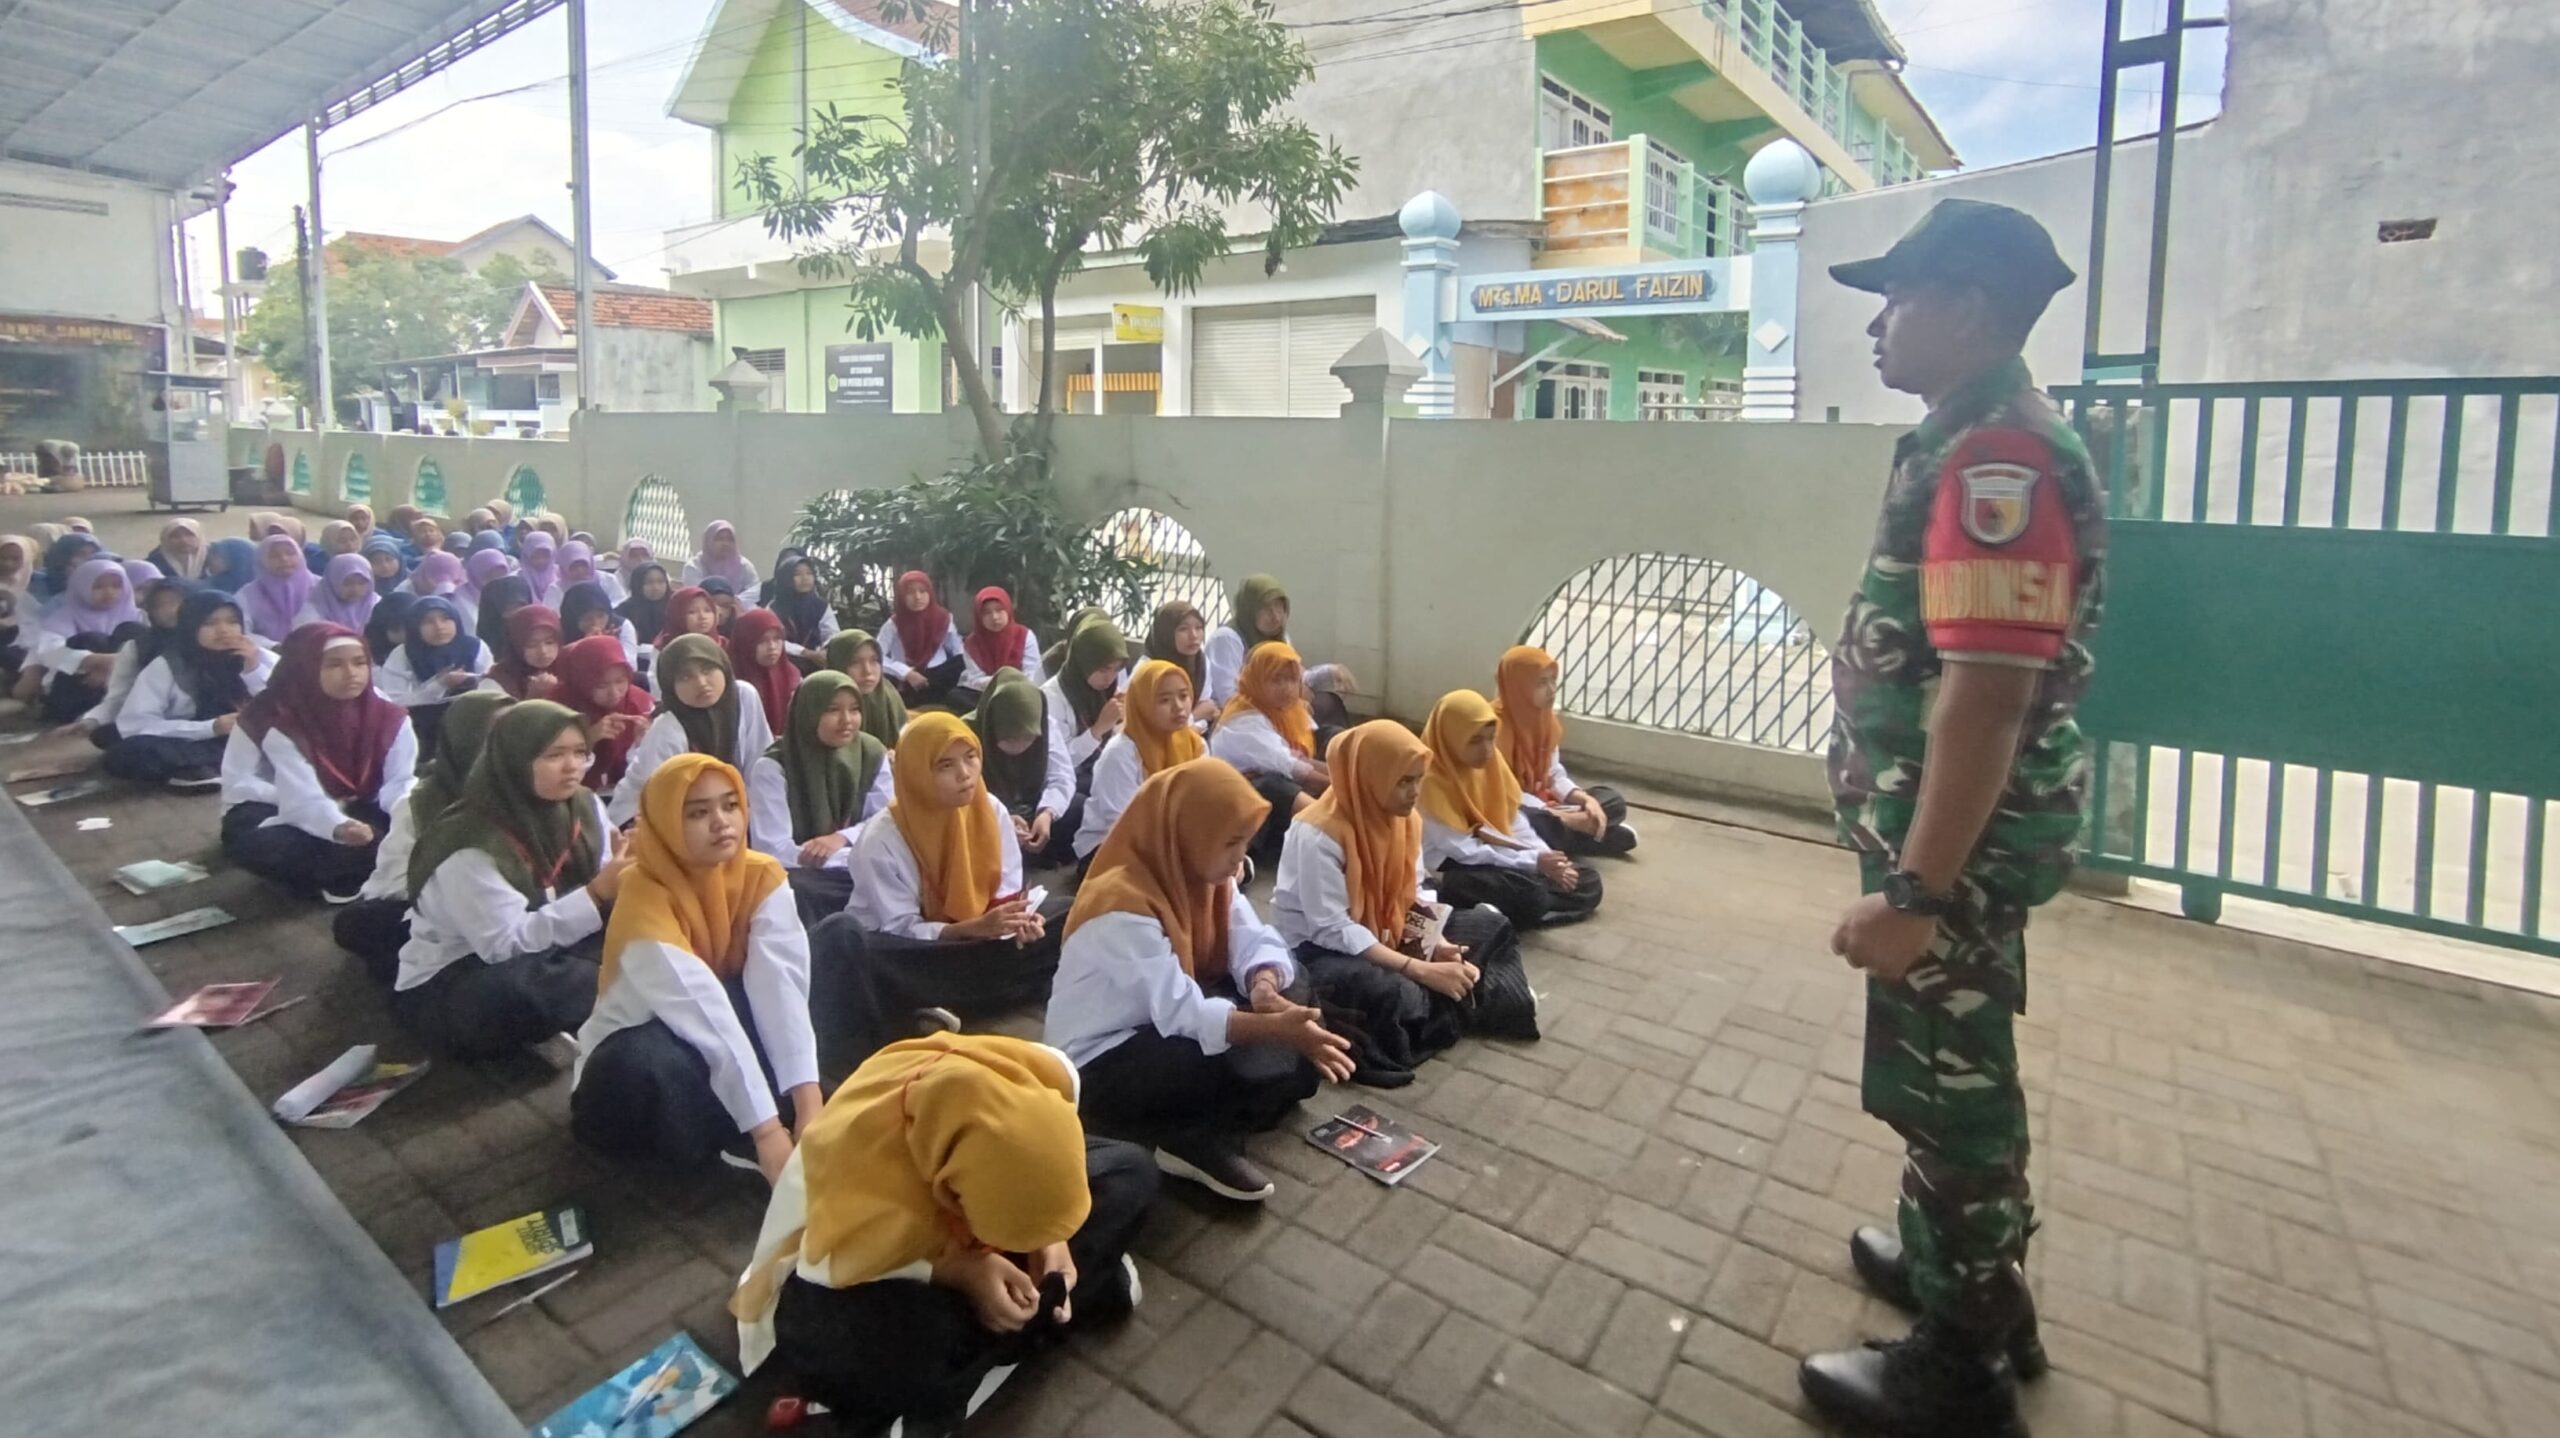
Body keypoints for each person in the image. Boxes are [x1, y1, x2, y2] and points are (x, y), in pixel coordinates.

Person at [1796, 199, 2101, 1438]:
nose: (1877, 324)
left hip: (1954, 851)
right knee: (1950, 1072)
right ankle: (1968, 1275)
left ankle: (1960, 1364)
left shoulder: (1995, 460)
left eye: (1899, 297)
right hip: (1950, 837)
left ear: (1967, 308)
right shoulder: (1969, 436)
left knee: (1951, 1087)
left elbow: (1985, 695)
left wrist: (1915, 891)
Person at [731, 1034, 1154, 1436]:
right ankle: (1046, 1318)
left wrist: (1051, 1239)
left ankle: (994, 1349)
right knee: (890, 1345)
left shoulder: (1024, 1077)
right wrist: (960, 1270)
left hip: (976, 1198)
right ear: (953, 1188)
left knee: (1132, 1170)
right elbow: (836, 1257)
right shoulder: (859, 1162)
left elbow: (1038, 1162)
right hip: (851, 1264)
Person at [1049, 760, 1354, 1201]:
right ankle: (1182, 1137)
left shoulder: (1202, 872)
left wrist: (1264, 988)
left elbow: (1253, 939)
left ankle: (1203, 1114)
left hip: (1174, 1017)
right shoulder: (1119, 905)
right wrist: (1273, 1028)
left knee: (1293, 986)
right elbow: (1183, 1013)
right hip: (1106, 1057)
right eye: (1230, 842)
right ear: (1187, 834)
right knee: (1210, 1057)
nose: (1240, 858)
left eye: (1245, 842)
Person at [572, 755, 821, 1177]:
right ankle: (737, 1132)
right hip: (642, 1054)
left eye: (730, 805)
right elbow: (699, 1005)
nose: (722, 822)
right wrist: (767, 1133)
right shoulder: (642, 896)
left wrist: (810, 1106)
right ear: (666, 823)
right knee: (644, 1060)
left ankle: (757, 1112)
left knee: (818, 962)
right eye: (698, 813)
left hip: (712, 1025)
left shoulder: (760, 874)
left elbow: (778, 984)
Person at [1275, 721, 1537, 1085]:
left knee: (1490, 925)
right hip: (1321, 951)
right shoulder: (1317, 835)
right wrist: (1419, 968)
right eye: (1403, 782)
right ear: (1371, 778)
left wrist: (1436, 945)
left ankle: (1458, 1002)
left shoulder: (1406, 820)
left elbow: (1412, 892)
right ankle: (1477, 1000)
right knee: (1393, 991)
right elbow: (1332, 928)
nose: (1415, 792)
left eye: (1419, 779)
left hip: (1389, 928)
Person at [815, 714, 1072, 1070]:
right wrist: (969, 929)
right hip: (918, 950)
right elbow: (901, 927)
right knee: (864, 951)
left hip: (978, 941)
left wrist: (1020, 921)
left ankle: (947, 1003)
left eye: (971, 757)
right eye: (945, 765)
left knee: (1070, 913)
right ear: (918, 772)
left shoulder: (991, 810)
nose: (965, 774)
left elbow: (1008, 891)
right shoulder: (881, 840)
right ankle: (976, 994)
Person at [394, 700, 631, 1058]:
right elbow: (503, 946)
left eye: (580, 752)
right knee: (523, 991)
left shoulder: (583, 803)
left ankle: (583, 1004)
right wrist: (597, 893)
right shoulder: (469, 840)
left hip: (553, 946)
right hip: (464, 973)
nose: (573, 766)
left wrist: (627, 865)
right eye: (554, 755)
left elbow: (604, 874)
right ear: (514, 759)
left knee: (646, 928)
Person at [219, 624, 416, 903]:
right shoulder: (273, 717)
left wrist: (407, 814)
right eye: (334, 665)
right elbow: (243, 783)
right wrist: (338, 825)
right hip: (278, 805)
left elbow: (399, 780)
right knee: (260, 844)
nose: (351, 673)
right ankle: (351, 868)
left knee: (410, 819)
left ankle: (345, 870)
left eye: (359, 663)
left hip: (358, 801)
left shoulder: (386, 713)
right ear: (305, 667)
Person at [337, 690, 513, 983]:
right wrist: (458, 893)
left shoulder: (536, 784)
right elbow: (395, 879)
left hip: (513, 907)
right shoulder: (421, 802)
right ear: (464, 739)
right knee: (359, 923)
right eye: (494, 736)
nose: (508, 746)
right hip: (439, 909)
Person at [1416, 690, 1602, 928]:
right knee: (1523, 892)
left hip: (1499, 854)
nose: (1487, 749)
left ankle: (1515, 912)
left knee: (1589, 881)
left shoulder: (1491, 765)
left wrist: (1549, 860)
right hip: (1456, 866)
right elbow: (1465, 851)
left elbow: (1514, 820)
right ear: (1451, 739)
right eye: (1474, 740)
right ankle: (1523, 908)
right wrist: (1533, 862)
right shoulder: (1428, 784)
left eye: (1491, 738)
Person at [749, 669, 891, 924]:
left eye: (855, 709)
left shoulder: (871, 752)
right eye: (832, 710)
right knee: (796, 890)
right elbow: (773, 850)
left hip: (860, 863)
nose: (847, 720)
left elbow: (885, 819)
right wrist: (844, 858)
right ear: (809, 713)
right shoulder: (773, 766)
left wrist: (841, 838)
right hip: (806, 872)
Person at [102, 589, 272, 788]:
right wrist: (213, 727)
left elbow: (286, 707)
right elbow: (135, 723)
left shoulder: (257, 656)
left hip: (253, 738)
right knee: (128, 751)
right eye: (209, 623)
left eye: (232, 621)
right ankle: (209, 769)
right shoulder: (169, 665)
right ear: (191, 625)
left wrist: (253, 670)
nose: (224, 630)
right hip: (196, 739)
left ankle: (201, 771)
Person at [611, 633, 777, 827]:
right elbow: (658, 797)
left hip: (733, 814)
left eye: (707, 669)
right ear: (670, 686)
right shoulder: (668, 728)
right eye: (685, 676)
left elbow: (759, 762)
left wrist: (752, 819)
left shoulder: (743, 695)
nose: (701, 682)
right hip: (658, 819)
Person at [1495, 645, 1638, 857]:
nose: (1552, 689)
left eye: (1553, 680)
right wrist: (1558, 816)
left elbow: (1553, 774)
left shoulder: (1545, 720)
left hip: (1545, 804)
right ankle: (1585, 834)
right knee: (1526, 819)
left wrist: (1585, 800)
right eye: (1541, 683)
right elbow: (1503, 792)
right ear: (1518, 686)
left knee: (1612, 801)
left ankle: (1571, 833)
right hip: (1512, 808)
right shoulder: (1493, 727)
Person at [1071, 658, 1203, 865]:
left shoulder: (1195, 744)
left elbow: (1204, 802)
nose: (1179, 707)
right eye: (1164, 700)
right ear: (1143, 704)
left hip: (1174, 840)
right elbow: (1124, 822)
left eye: (1184, 696)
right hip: (1111, 846)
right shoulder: (1121, 753)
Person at [1207, 642, 1327, 864]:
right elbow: (1293, 766)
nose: (1286, 688)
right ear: (1257, 680)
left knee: (1331, 737)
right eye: (1276, 680)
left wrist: (1344, 775)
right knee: (1272, 784)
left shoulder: (1286, 711)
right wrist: (1342, 787)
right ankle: (1331, 827)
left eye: (1292, 680)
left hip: (1278, 804)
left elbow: (1302, 758)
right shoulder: (1243, 719)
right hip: (1244, 814)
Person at [1202, 574, 1357, 730]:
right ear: (1249, 610)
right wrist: (1289, 707)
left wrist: (1331, 672)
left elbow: (1297, 677)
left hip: (1275, 710)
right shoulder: (1227, 639)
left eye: (1279, 607)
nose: (1276, 616)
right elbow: (1229, 698)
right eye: (1265, 609)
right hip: (1239, 721)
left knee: (1329, 702)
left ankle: (1337, 744)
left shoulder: (1279, 637)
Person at [966, 669, 1076, 870]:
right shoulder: (966, 734)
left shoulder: (1044, 725)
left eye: (1028, 738)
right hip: (986, 811)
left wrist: (1046, 813)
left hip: (1030, 806)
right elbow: (963, 796)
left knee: (1078, 808)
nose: (1020, 746)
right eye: (1010, 738)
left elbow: (1062, 775)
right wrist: (1001, 818)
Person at [67, 575, 187, 747]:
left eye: (176, 602)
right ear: (150, 611)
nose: (170, 610)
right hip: (159, 722)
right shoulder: (137, 647)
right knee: (108, 737)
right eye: (160, 605)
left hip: (209, 722)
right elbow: (119, 697)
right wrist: (92, 720)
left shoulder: (211, 641)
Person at [29, 556, 142, 722]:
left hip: (122, 685)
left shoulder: (138, 616)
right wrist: (94, 661)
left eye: (116, 586)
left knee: (131, 630)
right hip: (78, 685)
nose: (109, 592)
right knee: (89, 639)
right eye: (98, 587)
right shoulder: (64, 617)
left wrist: (114, 668)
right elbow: (48, 652)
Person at [377, 595, 490, 749]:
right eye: (427, 622)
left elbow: (490, 687)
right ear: (414, 626)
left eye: (446, 618)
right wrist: (439, 684)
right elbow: (395, 701)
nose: (439, 627)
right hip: (421, 729)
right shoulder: (403, 654)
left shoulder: (474, 647)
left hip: (473, 721)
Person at [556, 633, 655, 792]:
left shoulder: (639, 703)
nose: (614, 693)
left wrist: (643, 743)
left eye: (620, 681)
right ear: (582, 682)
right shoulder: (559, 707)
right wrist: (588, 739)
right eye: (601, 685)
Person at [881, 571, 963, 706]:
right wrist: (906, 673)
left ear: (930, 593)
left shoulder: (943, 618)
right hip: (908, 680)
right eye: (910, 593)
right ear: (902, 596)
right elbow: (877, 656)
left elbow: (957, 650)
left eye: (923, 591)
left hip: (940, 677)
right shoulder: (894, 624)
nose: (917, 597)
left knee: (961, 663)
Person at [954, 586, 1039, 707]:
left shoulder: (1025, 636)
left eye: (999, 610)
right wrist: (1001, 683)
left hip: (1020, 692)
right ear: (979, 616)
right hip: (986, 693)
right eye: (987, 613)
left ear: (1008, 609)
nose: (994, 617)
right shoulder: (972, 644)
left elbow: (1032, 673)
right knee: (956, 696)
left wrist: (1009, 685)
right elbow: (975, 679)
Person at [824, 628, 908, 750]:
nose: (867, 671)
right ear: (837, 664)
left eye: (874, 660)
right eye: (855, 662)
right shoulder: (822, 701)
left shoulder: (888, 695)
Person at [726, 608, 802, 739]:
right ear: (745, 642)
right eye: (762, 641)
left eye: (777, 639)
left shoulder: (792, 676)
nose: (772, 647)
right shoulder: (730, 684)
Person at [1144, 600, 1219, 728]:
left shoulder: (1200, 662)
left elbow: (1207, 710)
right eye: (1183, 629)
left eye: (1198, 628)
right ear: (1166, 633)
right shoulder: (1147, 669)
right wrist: (1193, 717)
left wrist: (1195, 724)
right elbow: (1147, 725)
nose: (1194, 636)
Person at [236, 535, 317, 646]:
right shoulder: (247, 595)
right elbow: (241, 632)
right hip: (268, 654)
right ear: (262, 561)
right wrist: (273, 647)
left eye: (290, 553)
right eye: (274, 556)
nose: (284, 559)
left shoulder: (321, 587)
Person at [762, 550, 836, 667]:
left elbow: (832, 634)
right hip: (783, 663)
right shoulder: (774, 608)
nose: (805, 578)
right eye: (797, 574)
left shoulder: (820, 606)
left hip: (818, 663)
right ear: (786, 578)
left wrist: (825, 650)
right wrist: (806, 653)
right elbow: (774, 641)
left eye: (809, 573)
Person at [489, 604, 565, 701]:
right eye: (531, 645)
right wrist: (532, 696)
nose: (543, 651)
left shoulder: (569, 667)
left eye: (549, 642)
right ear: (516, 645)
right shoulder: (499, 679)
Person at [560, 580, 639, 666]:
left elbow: (630, 665)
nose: (595, 623)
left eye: (601, 616)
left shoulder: (621, 626)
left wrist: (607, 645)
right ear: (573, 619)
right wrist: (585, 646)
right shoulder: (560, 630)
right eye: (587, 619)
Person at [298, 552, 380, 633]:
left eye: (362, 583)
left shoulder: (377, 605)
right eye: (347, 583)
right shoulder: (312, 610)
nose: (355, 589)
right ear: (332, 581)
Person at [619, 561, 675, 673]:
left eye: (661, 582)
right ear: (638, 584)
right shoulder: (625, 610)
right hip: (636, 664)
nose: (656, 587)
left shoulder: (675, 605)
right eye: (648, 583)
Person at [473, 573, 536, 668]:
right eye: (509, 609)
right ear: (493, 610)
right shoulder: (480, 649)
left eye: (521, 606)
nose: (516, 613)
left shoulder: (540, 632)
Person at [685, 520, 759, 593]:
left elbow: (755, 591)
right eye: (719, 539)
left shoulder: (744, 565)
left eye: (730, 540)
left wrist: (737, 599)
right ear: (708, 541)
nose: (725, 544)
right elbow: (696, 594)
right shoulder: (694, 566)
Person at [455, 548, 511, 631]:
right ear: (475, 575)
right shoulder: (460, 602)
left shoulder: (511, 594)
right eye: (489, 575)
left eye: (501, 575)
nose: (496, 581)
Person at [557, 539, 623, 606]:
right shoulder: (556, 589)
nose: (580, 570)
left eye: (584, 565)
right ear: (564, 568)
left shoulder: (609, 580)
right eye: (573, 567)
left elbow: (620, 604)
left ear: (591, 563)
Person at [518, 530, 563, 605]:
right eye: (535, 556)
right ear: (527, 555)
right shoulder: (517, 579)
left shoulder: (561, 574)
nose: (541, 561)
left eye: (546, 556)